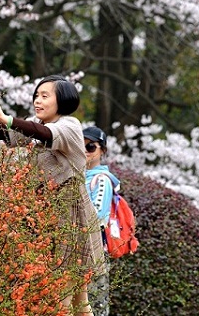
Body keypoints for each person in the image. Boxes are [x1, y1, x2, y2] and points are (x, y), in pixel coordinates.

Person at [0, 75, 105, 316]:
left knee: (63, 292)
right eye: (36, 96)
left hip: (71, 213)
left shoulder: (70, 124)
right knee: (78, 299)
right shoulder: (36, 123)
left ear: (62, 100)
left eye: (45, 96)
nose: (37, 101)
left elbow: (45, 134)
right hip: (48, 211)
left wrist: (8, 119)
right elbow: (12, 137)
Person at [83, 125, 116, 316]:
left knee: (96, 306)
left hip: (94, 252)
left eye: (91, 147)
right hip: (75, 252)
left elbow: (97, 217)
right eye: (82, 146)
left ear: (102, 150)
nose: (86, 151)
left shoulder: (102, 179)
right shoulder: (78, 176)